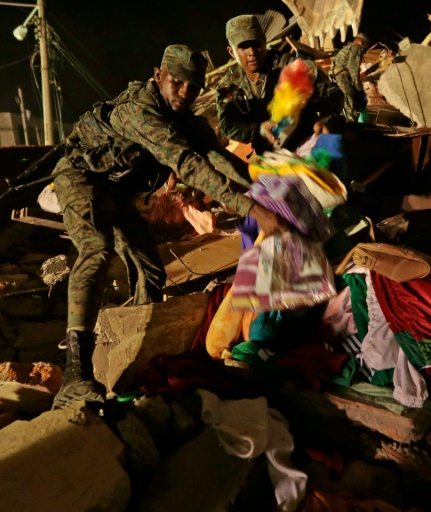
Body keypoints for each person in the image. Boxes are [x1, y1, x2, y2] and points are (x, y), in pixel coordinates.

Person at [51, 44, 283, 409]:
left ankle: (135, 360)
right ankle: (76, 372)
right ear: (159, 76)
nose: (185, 93)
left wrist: (268, 191)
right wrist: (250, 207)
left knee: (151, 273)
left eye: (194, 87)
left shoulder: (186, 120)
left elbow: (217, 157)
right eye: (177, 83)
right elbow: (186, 163)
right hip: (82, 181)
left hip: (118, 193)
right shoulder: (139, 113)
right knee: (97, 251)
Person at [216, 14, 343, 156]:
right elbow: (228, 125)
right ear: (231, 51)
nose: (251, 52)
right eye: (244, 47)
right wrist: (259, 129)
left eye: (256, 44)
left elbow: (331, 91)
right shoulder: (229, 85)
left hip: (309, 147)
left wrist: (326, 118)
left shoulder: (290, 67)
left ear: (264, 41)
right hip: (272, 157)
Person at [329, 33, 370, 121]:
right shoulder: (357, 48)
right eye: (365, 46)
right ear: (361, 42)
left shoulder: (347, 48)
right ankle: (352, 127)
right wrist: (358, 87)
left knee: (341, 102)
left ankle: (341, 123)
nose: (365, 50)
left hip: (334, 77)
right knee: (349, 103)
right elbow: (353, 67)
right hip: (341, 77)